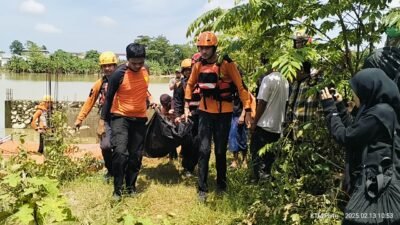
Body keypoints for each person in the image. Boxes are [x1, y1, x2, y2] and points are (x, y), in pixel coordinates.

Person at [184, 31, 251, 202]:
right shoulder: (198, 64)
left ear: (214, 47)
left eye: (207, 48)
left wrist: (248, 109)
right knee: (204, 150)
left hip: (224, 114)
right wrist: (186, 105)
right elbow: (190, 84)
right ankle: (202, 188)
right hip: (205, 112)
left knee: (220, 151)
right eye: (201, 48)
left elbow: (241, 87)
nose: (203, 51)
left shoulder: (227, 63)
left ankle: (221, 184)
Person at [320, 68, 400, 195]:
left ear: (366, 91)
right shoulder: (378, 110)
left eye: (355, 92)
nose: (354, 96)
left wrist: (330, 109)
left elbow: (346, 137)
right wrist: (340, 106)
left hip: (371, 184)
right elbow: (355, 129)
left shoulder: (378, 115)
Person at [100, 43, 155, 201]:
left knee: (136, 155)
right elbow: (109, 98)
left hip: (139, 118)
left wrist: (150, 99)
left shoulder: (146, 70)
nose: (137, 66)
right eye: (134, 63)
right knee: (120, 153)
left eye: (141, 62)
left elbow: (144, 90)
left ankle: (130, 186)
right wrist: (102, 121)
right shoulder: (119, 74)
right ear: (127, 59)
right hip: (120, 117)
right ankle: (117, 190)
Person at [74, 51, 118, 181]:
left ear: (115, 66)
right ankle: (110, 170)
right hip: (106, 118)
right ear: (101, 68)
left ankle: (121, 171)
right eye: (104, 66)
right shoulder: (100, 83)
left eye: (110, 65)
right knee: (105, 146)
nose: (107, 68)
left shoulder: (123, 80)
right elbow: (90, 101)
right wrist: (79, 119)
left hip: (122, 117)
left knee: (120, 146)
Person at [250, 70, 289, 181]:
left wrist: (254, 122)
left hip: (264, 124)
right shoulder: (285, 80)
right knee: (270, 158)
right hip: (277, 126)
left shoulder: (268, 79)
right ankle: (267, 181)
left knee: (258, 156)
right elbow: (286, 103)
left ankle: (260, 182)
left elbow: (262, 102)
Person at [173, 58, 200, 177]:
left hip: (199, 116)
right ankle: (187, 167)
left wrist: (193, 112)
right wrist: (178, 116)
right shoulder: (179, 85)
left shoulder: (200, 84)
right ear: (183, 71)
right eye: (186, 70)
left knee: (198, 142)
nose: (188, 72)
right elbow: (177, 102)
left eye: (190, 70)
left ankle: (194, 164)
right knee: (187, 142)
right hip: (186, 119)